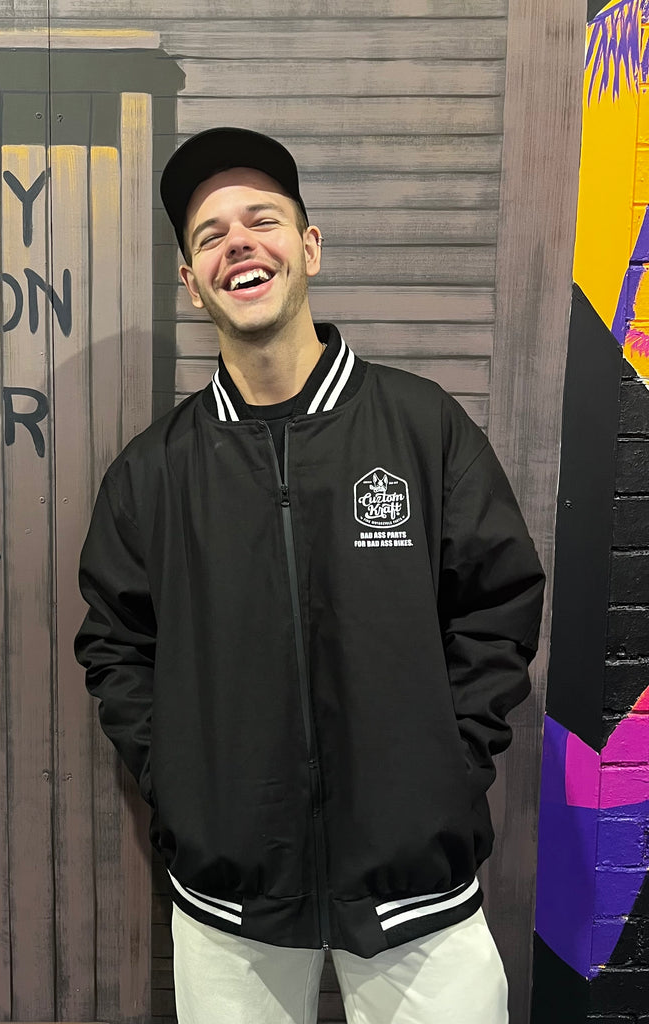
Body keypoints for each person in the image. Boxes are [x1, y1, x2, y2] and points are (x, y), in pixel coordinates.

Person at [74, 127, 545, 1024]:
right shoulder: (153, 473)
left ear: (310, 246)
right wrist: (186, 787)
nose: (238, 243)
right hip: (232, 912)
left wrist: (444, 772)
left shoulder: (421, 429)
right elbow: (115, 646)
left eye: (263, 220)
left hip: (418, 900)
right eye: (210, 235)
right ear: (190, 279)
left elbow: (499, 605)